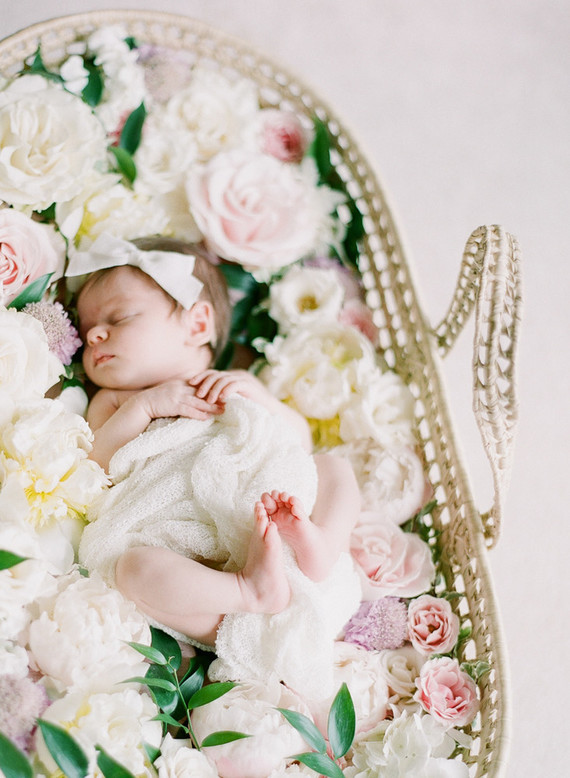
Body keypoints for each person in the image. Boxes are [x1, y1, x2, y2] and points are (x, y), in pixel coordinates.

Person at [70, 234, 361, 660]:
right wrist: (146, 405)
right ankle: (248, 590)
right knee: (131, 571)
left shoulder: (238, 383)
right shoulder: (116, 402)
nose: (94, 334)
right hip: (207, 584)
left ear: (198, 325)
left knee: (334, 467)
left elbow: (299, 442)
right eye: (85, 329)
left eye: (119, 318)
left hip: (271, 518)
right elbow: (96, 469)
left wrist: (260, 398)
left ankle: (320, 548)